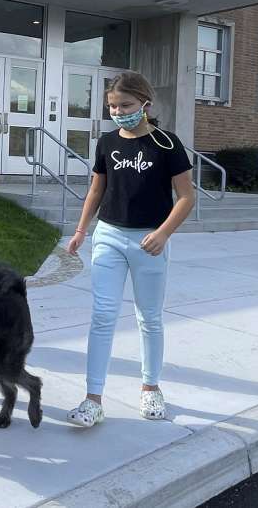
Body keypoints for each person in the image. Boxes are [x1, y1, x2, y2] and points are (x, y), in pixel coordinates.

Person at [64, 71, 195, 426]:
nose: (119, 111)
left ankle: (151, 388)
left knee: (149, 318)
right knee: (103, 316)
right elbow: (96, 189)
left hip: (149, 241)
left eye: (126, 105)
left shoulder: (168, 144)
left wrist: (164, 233)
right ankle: (93, 399)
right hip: (108, 236)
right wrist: (80, 231)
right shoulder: (107, 142)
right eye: (113, 106)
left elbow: (186, 197)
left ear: (145, 104)